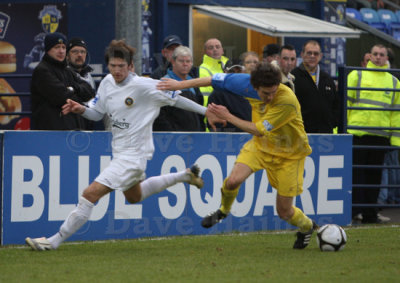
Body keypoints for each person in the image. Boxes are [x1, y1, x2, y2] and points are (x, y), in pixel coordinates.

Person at [25, 39, 223, 251]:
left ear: (131, 66)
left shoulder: (144, 85)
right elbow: (97, 113)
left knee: (90, 193)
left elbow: (178, 99)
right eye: (113, 66)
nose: (117, 71)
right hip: (120, 153)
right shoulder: (107, 83)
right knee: (134, 196)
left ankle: (53, 241)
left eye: (121, 66)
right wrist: (80, 109)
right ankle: (184, 176)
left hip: (135, 156)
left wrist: (206, 112)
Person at [158, 63, 318, 250]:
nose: (270, 97)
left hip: (290, 154)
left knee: (284, 211)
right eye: (266, 93)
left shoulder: (287, 100)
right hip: (261, 148)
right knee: (232, 181)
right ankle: (223, 211)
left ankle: (307, 227)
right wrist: (177, 85)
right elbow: (212, 79)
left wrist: (228, 115)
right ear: (254, 87)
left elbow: (258, 130)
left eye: (274, 91)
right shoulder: (244, 83)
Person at [348, 44, 400, 224]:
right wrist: (342, 133)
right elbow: (345, 104)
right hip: (357, 134)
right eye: (375, 54)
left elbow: (396, 114)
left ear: (387, 58)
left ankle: (370, 214)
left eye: (381, 55)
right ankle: (353, 212)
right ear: (369, 56)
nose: (378, 57)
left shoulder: (394, 82)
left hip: (380, 138)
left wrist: (394, 141)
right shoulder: (356, 75)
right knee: (356, 176)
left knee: (374, 178)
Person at [30, 32, 95, 130]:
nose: (61, 51)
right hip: (50, 131)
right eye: (57, 47)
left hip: (73, 129)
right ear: (48, 50)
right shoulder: (42, 70)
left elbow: (89, 92)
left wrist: (73, 88)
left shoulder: (67, 70)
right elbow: (61, 97)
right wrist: (76, 93)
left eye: (63, 47)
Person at [291, 40, 339, 133]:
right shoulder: (293, 77)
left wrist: (332, 122)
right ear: (302, 54)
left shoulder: (327, 79)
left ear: (320, 56)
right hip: (301, 134)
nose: (312, 56)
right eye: (309, 53)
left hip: (326, 135)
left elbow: (336, 105)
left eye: (316, 53)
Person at [153, 46, 204, 131]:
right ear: (173, 62)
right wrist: (172, 133)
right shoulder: (165, 83)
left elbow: (199, 112)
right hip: (174, 138)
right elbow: (160, 115)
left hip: (195, 136)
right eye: (181, 61)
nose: (185, 64)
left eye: (188, 61)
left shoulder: (193, 83)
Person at [206, 63, 251, 132]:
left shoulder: (252, 92)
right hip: (229, 139)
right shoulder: (218, 94)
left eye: (239, 71)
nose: (235, 75)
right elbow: (215, 127)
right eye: (232, 71)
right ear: (225, 72)